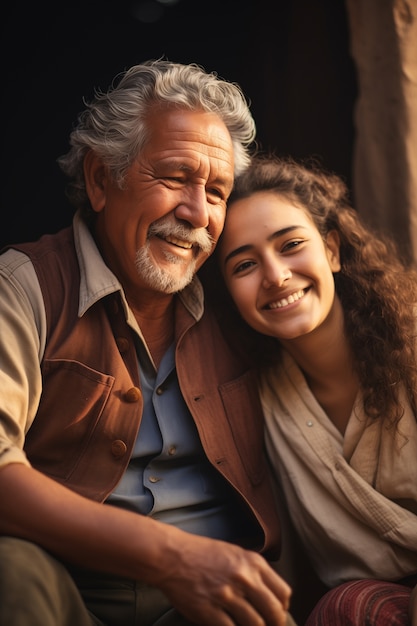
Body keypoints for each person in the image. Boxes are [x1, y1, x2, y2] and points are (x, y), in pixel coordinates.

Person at [0, 61, 296, 626]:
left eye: (216, 192)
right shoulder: (23, 288)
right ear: (99, 179)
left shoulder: (237, 293)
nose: (196, 213)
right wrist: (172, 558)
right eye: (173, 177)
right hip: (69, 599)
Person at [210, 153, 417, 625]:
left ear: (333, 251)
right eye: (244, 265)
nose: (275, 275)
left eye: (291, 245)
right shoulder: (259, 399)